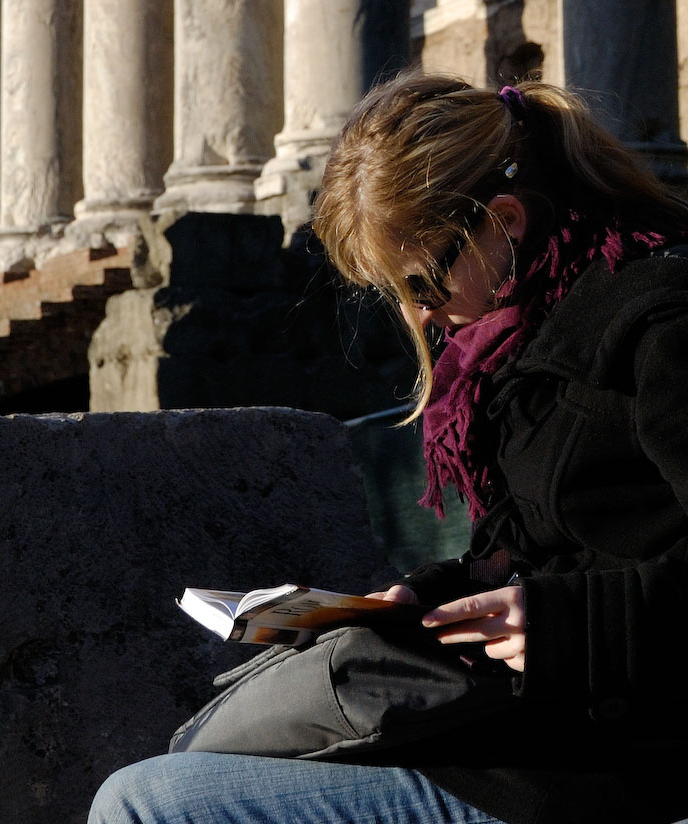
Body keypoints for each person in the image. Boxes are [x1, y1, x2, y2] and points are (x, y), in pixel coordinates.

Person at [88, 71, 688, 824]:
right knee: (199, 757)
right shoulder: (521, 332)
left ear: (503, 221)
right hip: (530, 738)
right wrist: (428, 597)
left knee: (145, 804)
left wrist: (574, 625)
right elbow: (554, 544)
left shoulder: (660, 324)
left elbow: (590, 582)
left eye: (421, 284)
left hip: (613, 770)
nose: (421, 315)